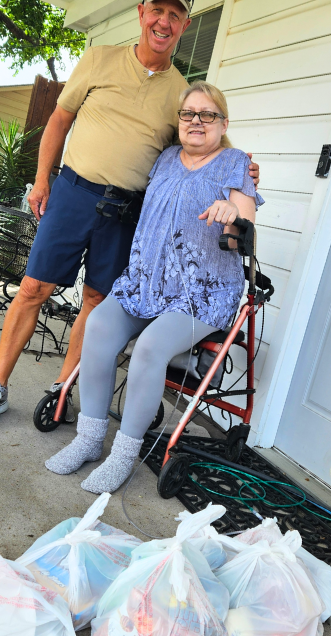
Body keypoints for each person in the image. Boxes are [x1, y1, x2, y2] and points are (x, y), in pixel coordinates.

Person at [0, 0, 239, 425]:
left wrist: (240, 167)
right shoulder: (98, 59)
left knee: (94, 300)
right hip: (73, 192)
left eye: (175, 15)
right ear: (141, 13)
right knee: (34, 289)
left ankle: (61, 391)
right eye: (158, 11)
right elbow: (58, 120)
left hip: (127, 209)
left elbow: (207, 136)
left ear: (184, 26)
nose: (163, 22)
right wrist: (42, 180)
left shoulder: (180, 92)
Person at [43, 83, 259, 492]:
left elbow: (243, 228)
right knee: (99, 327)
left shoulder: (235, 163)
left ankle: (124, 453)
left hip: (201, 292)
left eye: (207, 114)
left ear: (223, 123)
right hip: (147, 280)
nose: (196, 121)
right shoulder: (164, 158)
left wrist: (232, 213)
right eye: (188, 114)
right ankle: (89, 440)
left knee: (149, 348)